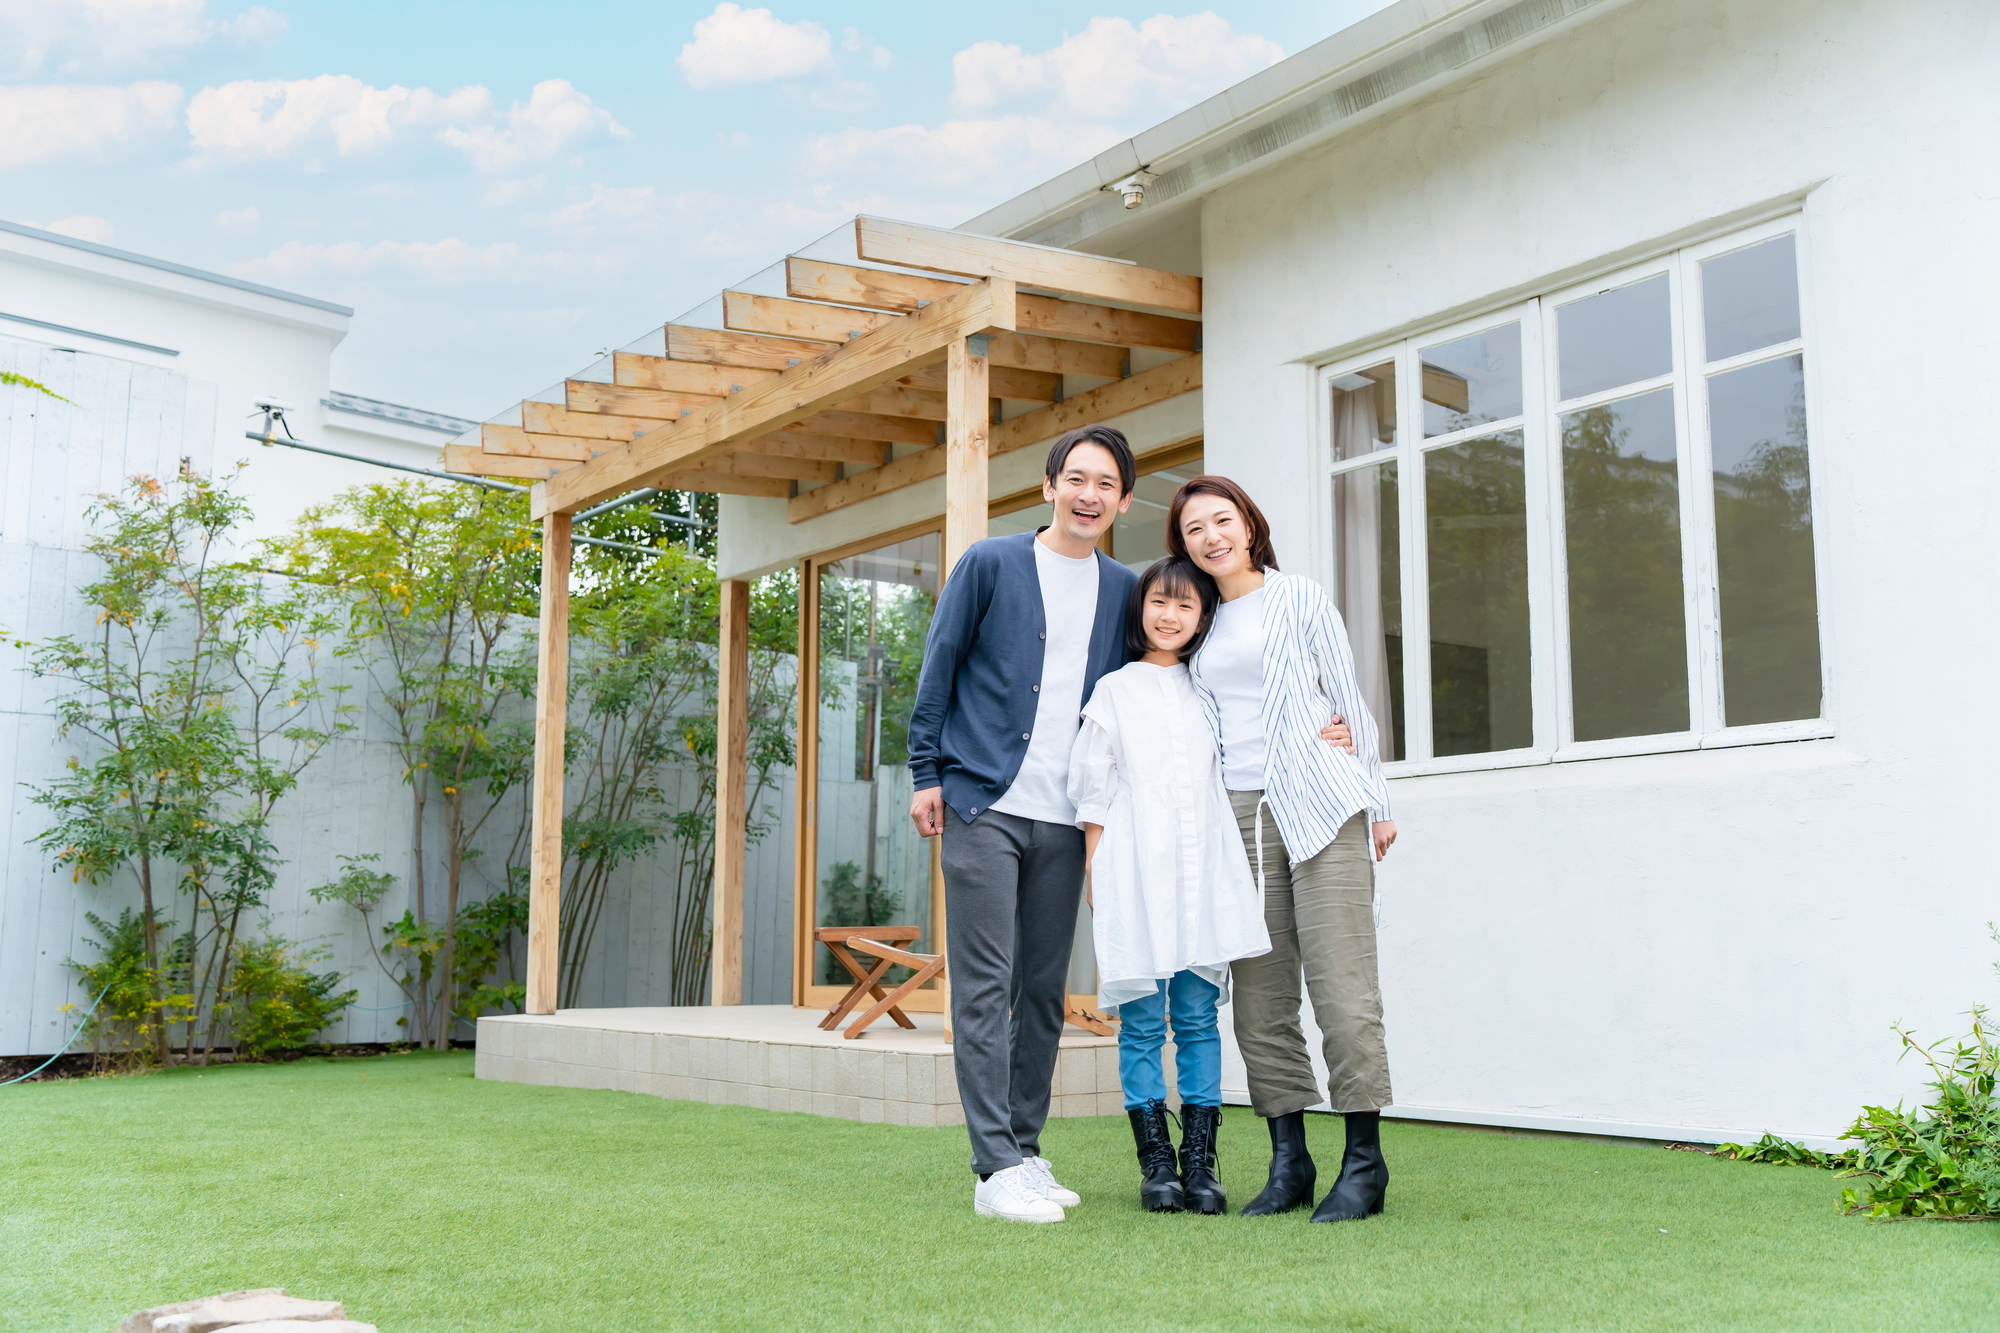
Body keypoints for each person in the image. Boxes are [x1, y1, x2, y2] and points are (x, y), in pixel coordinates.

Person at [906, 424, 1141, 1224]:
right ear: (1048, 487)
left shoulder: (1125, 588)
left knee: (1041, 991)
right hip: (982, 803)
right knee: (982, 985)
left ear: (1123, 500)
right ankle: (993, 1165)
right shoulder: (992, 563)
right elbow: (938, 669)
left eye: (1104, 483)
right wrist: (925, 773)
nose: (1087, 494)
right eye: (1074, 478)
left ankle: (1026, 1150)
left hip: (1066, 819)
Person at [1169, 474, 1400, 1224]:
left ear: (1248, 524)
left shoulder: (1297, 595)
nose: (1211, 536)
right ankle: (1289, 1159)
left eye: (1221, 519)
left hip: (1321, 803)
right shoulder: (1195, 623)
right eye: (1195, 528)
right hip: (1237, 817)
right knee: (1261, 1001)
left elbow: (1349, 695)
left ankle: (1364, 1162)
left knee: (1343, 988)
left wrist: (1379, 800)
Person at [1069, 556, 1271, 1215]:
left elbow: (1252, 744)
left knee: (1195, 1018)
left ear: (1202, 617)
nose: (1170, 614)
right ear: (1140, 609)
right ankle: (1157, 1165)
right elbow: (1094, 789)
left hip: (1201, 874)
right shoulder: (1114, 690)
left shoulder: (1207, 689)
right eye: (1160, 600)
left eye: (1186, 605)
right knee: (1142, 1021)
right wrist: (1095, 868)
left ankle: (1202, 1165)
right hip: (1134, 869)